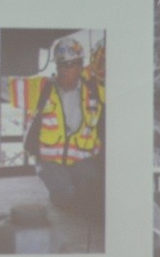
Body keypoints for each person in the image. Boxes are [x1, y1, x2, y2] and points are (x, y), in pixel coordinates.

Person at [26, 38, 105, 214]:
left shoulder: (94, 91)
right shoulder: (42, 88)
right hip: (50, 162)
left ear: (80, 66)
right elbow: (5, 88)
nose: (64, 70)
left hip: (81, 160)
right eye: (61, 65)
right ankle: (61, 193)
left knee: (96, 190)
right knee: (67, 195)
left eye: (70, 65)